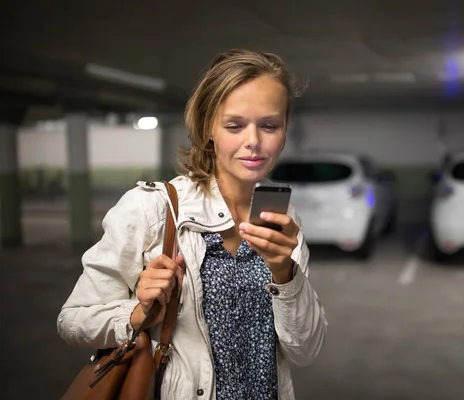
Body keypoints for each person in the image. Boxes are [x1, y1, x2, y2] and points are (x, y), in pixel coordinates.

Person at [57, 48, 328, 400]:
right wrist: (141, 311)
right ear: (207, 128)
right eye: (234, 125)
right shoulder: (151, 209)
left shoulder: (283, 219)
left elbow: (305, 350)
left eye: (269, 125)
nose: (253, 142)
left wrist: (285, 275)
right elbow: (73, 320)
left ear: (285, 130)